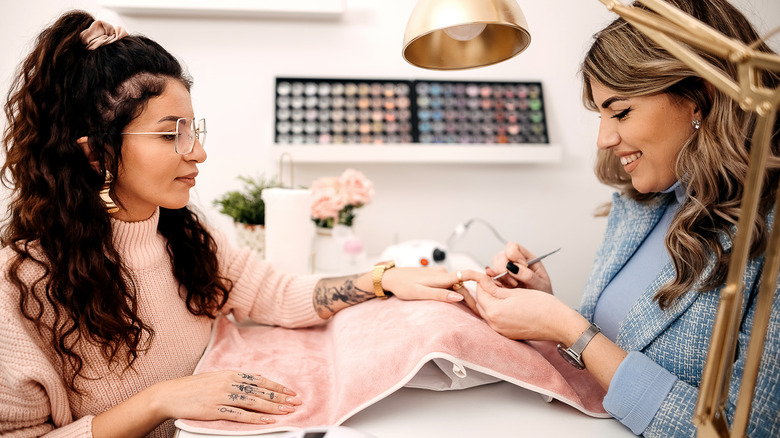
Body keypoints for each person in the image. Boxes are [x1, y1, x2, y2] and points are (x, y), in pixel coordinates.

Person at [0, 11, 471, 437]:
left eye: (192, 130)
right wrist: (159, 401)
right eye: (170, 134)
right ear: (95, 152)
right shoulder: (20, 284)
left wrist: (383, 279)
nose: (198, 152)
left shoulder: (183, 237)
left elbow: (277, 294)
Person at [464, 0, 780, 436]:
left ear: (701, 98)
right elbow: (617, 345)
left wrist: (567, 327)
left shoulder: (767, 238)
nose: (604, 139)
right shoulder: (643, 205)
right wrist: (547, 306)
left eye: (621, 111)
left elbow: (750, 428)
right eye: (601, 115)